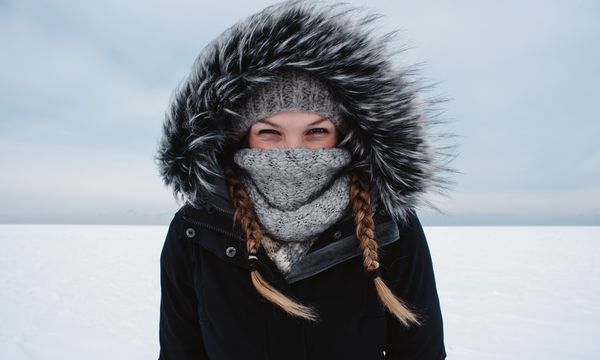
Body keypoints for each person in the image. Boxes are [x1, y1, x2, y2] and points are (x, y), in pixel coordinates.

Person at [154, 1, 455, 359]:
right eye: (270, 132)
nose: (294, 150)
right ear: (242, 137)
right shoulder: (197, 229)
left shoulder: (389, 223)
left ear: (343, 135)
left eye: (316, 131)